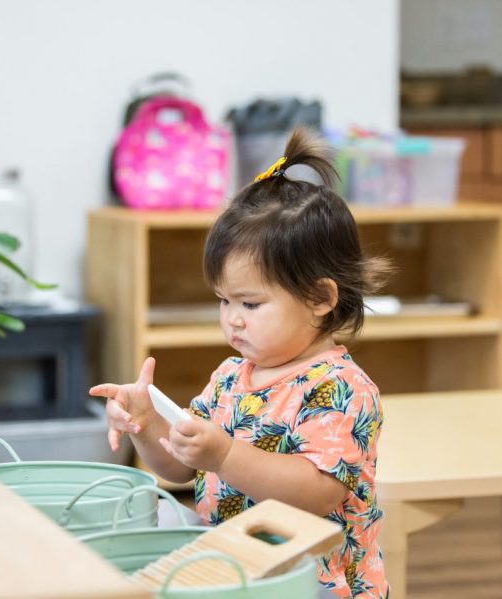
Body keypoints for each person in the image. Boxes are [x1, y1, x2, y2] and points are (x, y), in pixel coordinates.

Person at [90, 127, 390, 598]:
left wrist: (225, 455)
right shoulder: (231, 376)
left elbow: (317, 492)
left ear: (320, 298)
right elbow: (183, 468)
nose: (232, 320)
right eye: (223, 301)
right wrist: (148, 427)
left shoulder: (341, 387)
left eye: (250, 304)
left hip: (316, 586)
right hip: (236, 576)